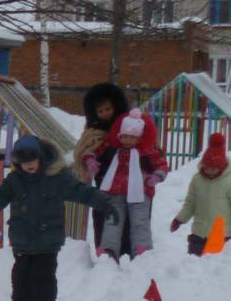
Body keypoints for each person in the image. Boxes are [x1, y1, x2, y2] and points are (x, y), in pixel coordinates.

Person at [0, 135, 116, 301]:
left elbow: (82, 192)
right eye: (23, 161)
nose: (29, 165)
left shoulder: (57, 178)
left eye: (32, 159)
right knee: (21, 274)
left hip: (48, 239)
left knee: (44, 275)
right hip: (23, 239)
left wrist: (105, 202)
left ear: (41, 157)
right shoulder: (15, 180)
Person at [84, 109, 168, 261]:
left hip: (140, 192)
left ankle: (143, 250)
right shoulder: (114, 148)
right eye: (125, 136)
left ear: (139, 138)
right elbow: (94, 151)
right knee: (113, 220)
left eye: (132, 137)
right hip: (116, 191)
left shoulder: (148, 151)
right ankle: (109, 250)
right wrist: (91, 160)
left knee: (140, 221)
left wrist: (156, 176)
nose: (128, 140)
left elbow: (162, 164)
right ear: (119, 136)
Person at [76, 82, 130, 250]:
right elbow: (84, 149)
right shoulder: (94, 131)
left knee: (127, 219)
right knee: (103, 215)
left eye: (108, 109)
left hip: (127, 184)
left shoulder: (127, 126)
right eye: (100, 111)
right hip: (104, 183)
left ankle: (127, 250)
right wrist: (89, 160)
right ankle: (103, 250)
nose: (105, 114)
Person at [171, 132, 231, 256]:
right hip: (198, 233)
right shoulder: (197, 180)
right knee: (193, 266)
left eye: (214, 168)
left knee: (211, 269)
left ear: (221, 167)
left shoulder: (228, 180)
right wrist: (180, 219)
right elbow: (190, 203)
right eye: (207, 167)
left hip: (221, 235)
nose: (210, 171)